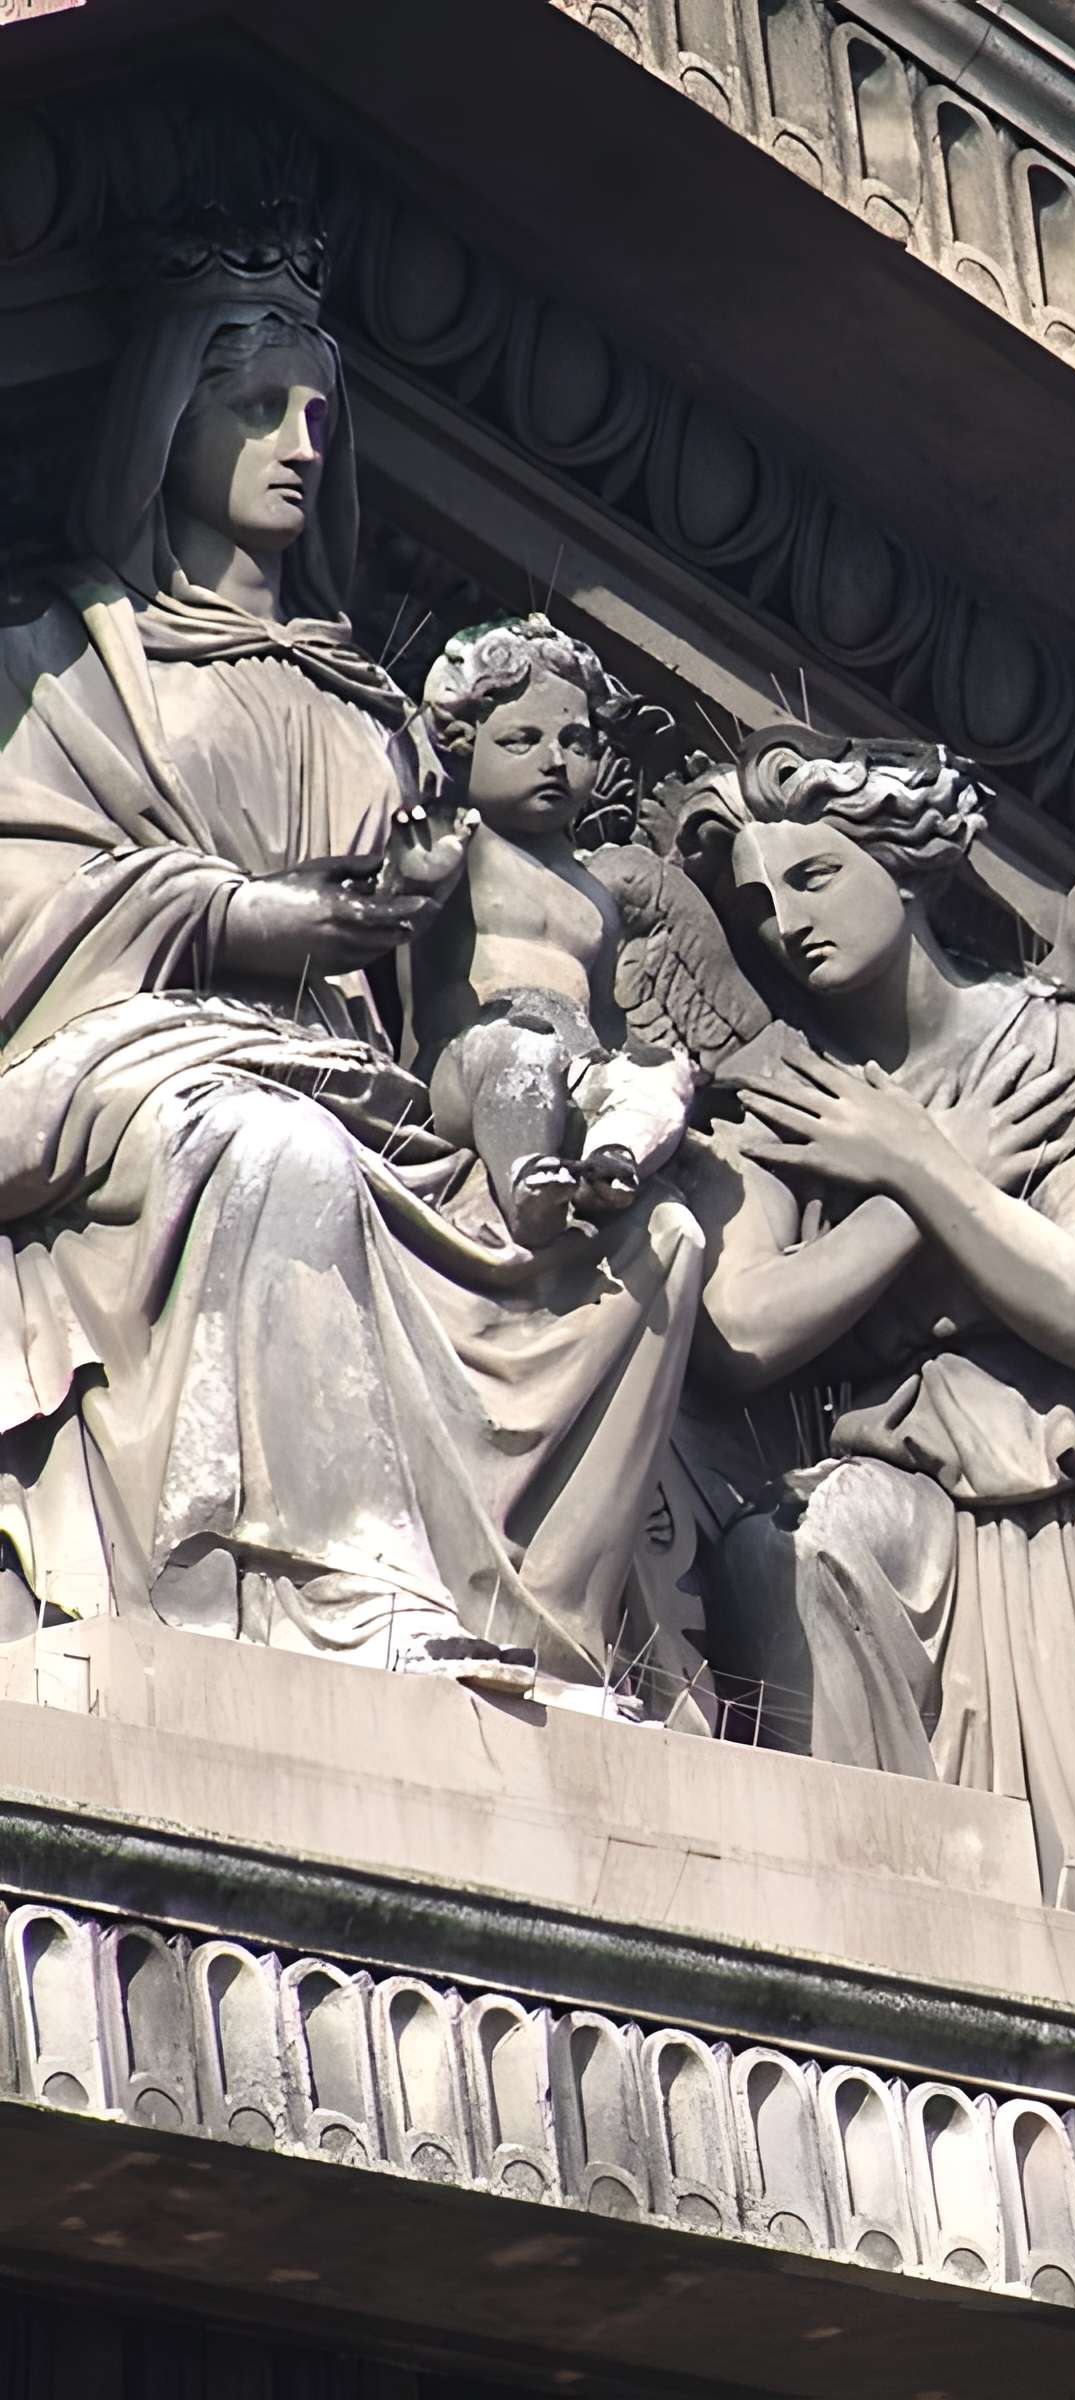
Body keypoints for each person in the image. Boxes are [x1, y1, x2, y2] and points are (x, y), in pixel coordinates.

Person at [0, 226, 703, 1686]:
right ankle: (346, 1591)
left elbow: (442, 999)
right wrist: (247, 915)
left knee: (652, 1246)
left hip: (356, 1073)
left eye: (322, 413)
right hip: (136, 1059)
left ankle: (552, 1636)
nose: (303, 445)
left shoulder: (372, 705)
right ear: (159, 420)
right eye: (256, 406)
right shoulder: (56, 654)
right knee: (278, 1153)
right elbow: (23, 900)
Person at [682, 727, 1075, 1941]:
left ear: (908, 866)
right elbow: (740, 1333)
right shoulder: (781, 1093)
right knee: (787, 1552)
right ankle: (875, 1929)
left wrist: (919, 1165)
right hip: (910, 1482)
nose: (782, 924)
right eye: (755, 903)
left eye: (814, 877)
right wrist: (924, 1185)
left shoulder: (1057, 1037)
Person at [404, 615, 696, 1246]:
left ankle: (611, 1160)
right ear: (461, 741)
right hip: (473, 1058)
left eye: (577, 742)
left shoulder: (593, 894)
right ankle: (525, 1189)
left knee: (663, 1071)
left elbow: (609, 1018)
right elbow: (405, 946)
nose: (555, 761)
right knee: (522, 1047)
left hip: (578, 1066)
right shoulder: (457, 844)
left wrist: (626, 1066)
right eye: (522, 740)